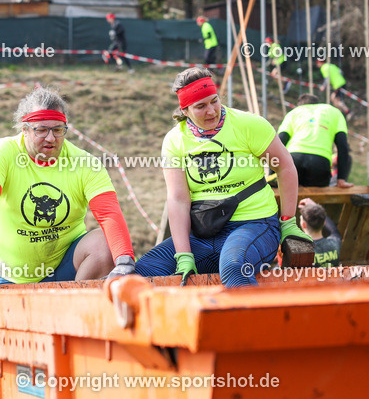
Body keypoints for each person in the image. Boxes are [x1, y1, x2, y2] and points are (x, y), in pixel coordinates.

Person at [133, 68, 311, 287]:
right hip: (205, 232)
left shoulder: (248, 124)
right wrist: (183, 255)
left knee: (235, 268)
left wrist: (288, 221)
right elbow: (178, 199)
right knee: (141, 273)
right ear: (185, 109)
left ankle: (255, 321)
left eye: (214, 101)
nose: (211, 111)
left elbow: (285, 167)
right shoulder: (174, 141)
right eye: (201, 106)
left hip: (254, 223)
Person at [0, 86, 136, 283]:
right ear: (24, 130)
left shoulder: (86, 163)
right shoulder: (1, 152)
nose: (51, 138)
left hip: (67, 266)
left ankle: (74, 303)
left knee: (105, 245)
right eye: (41, 130)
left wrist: (124, 259)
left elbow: (108, 212)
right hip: (14, 277)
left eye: (58, 130)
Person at [277, 93, 353, 187]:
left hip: (293, 159)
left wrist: (272, 174)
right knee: (314, 200)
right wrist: (341, 179)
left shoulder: (294, 112)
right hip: (320, 162)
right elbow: (343, 146)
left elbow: (279, 142)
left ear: (300, 105)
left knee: (289, 197)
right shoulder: (334, 112)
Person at [298, 198, 341, 267]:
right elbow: (334, 230)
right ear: (324, 223)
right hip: (332, 277)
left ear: (303, 224)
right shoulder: (335, 243)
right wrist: (315, 206)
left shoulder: (299, 251)